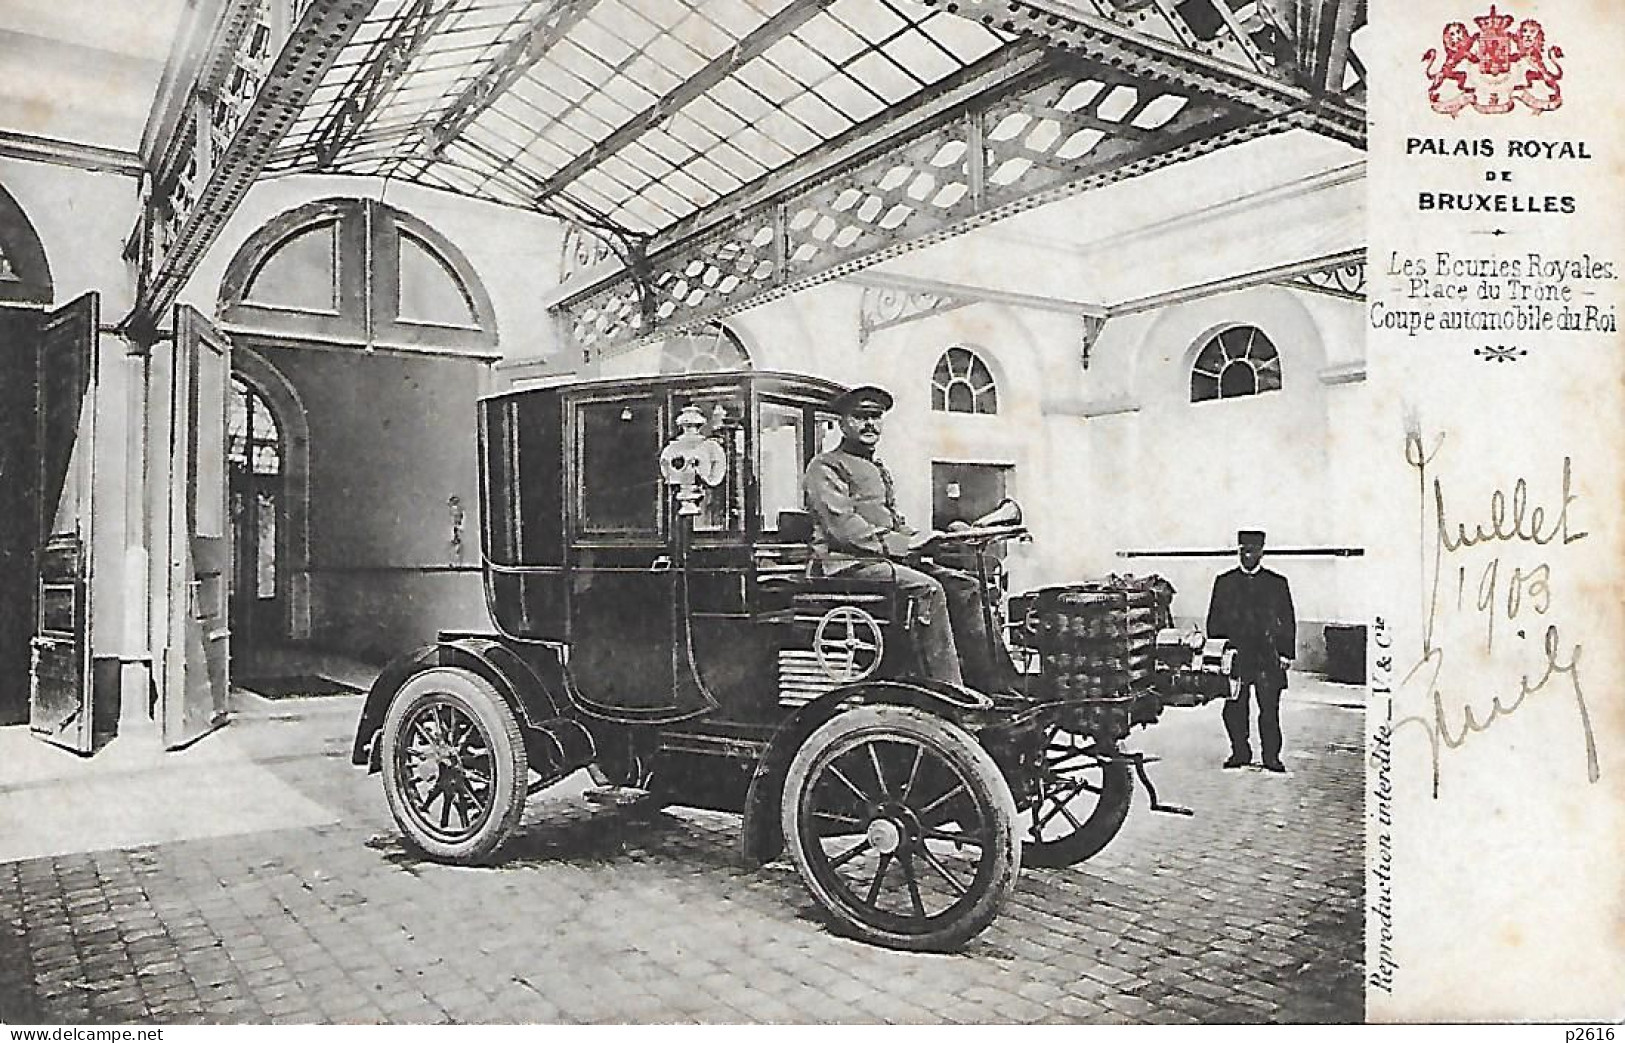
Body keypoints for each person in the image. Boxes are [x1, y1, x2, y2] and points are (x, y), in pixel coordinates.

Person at [802, 385, 1016, 691]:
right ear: (842, 422)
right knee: (927, 589)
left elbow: (891, 520)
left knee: (967, 587)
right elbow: (844, 526)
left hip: (880, 560)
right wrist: (904, 545)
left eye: (875, 417)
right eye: (861, 417)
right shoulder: (825, 467)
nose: (870, 424)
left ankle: (997, 686)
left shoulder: (877, 468)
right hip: (845, 564)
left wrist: (927, 538)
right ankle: (948, 691)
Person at [1206, 529, 1296, 772]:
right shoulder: (1225, 582)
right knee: (1234, 708)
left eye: (1252, 551)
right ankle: (1240, 752)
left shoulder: (1277, 583)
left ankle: (1271, 757)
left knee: (1269, 710)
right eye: (1242, 550)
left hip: (1268, 658)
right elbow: (1214, 621)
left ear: (1261, 552)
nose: (1246, 555)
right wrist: (1217, 653)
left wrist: (1286, 653)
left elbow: (1287, 619)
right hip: (1236, 657)